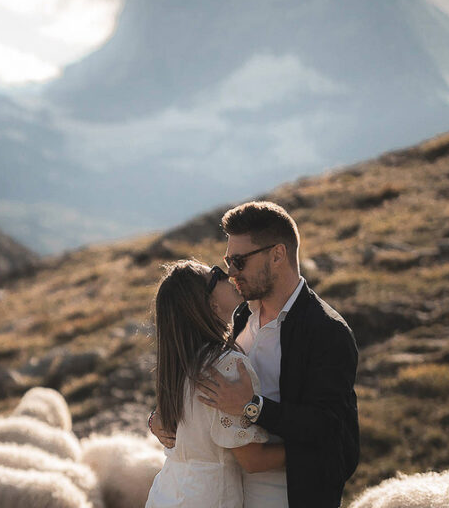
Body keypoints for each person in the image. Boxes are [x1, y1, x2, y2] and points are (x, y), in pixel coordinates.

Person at [150, 201, 359, 508]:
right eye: (227, 262)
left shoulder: (327, 331)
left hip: (288, 496)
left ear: (277, 255)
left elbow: (329, 428)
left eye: (239, 261)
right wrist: (162, 419)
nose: (232, 272)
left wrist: (253, 408)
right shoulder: (239, 319)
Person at [145, 259, 285, 508]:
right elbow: (253, 461)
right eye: (217, 275)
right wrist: (319, 447)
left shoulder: (179, 363)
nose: (229, 275)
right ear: (211, 304)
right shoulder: (226, 365)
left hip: (166, 494)